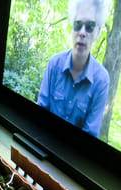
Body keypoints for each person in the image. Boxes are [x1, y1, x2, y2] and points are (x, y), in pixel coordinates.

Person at [37, 0, 110, 137]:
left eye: (90, 26)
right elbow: (40, 112)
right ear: (72, 28)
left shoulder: (101, 80)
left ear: (98, 32)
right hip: (43, 141)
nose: (82, 32)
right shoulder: (54, 64)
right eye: (78, 24)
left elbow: (90, 135)